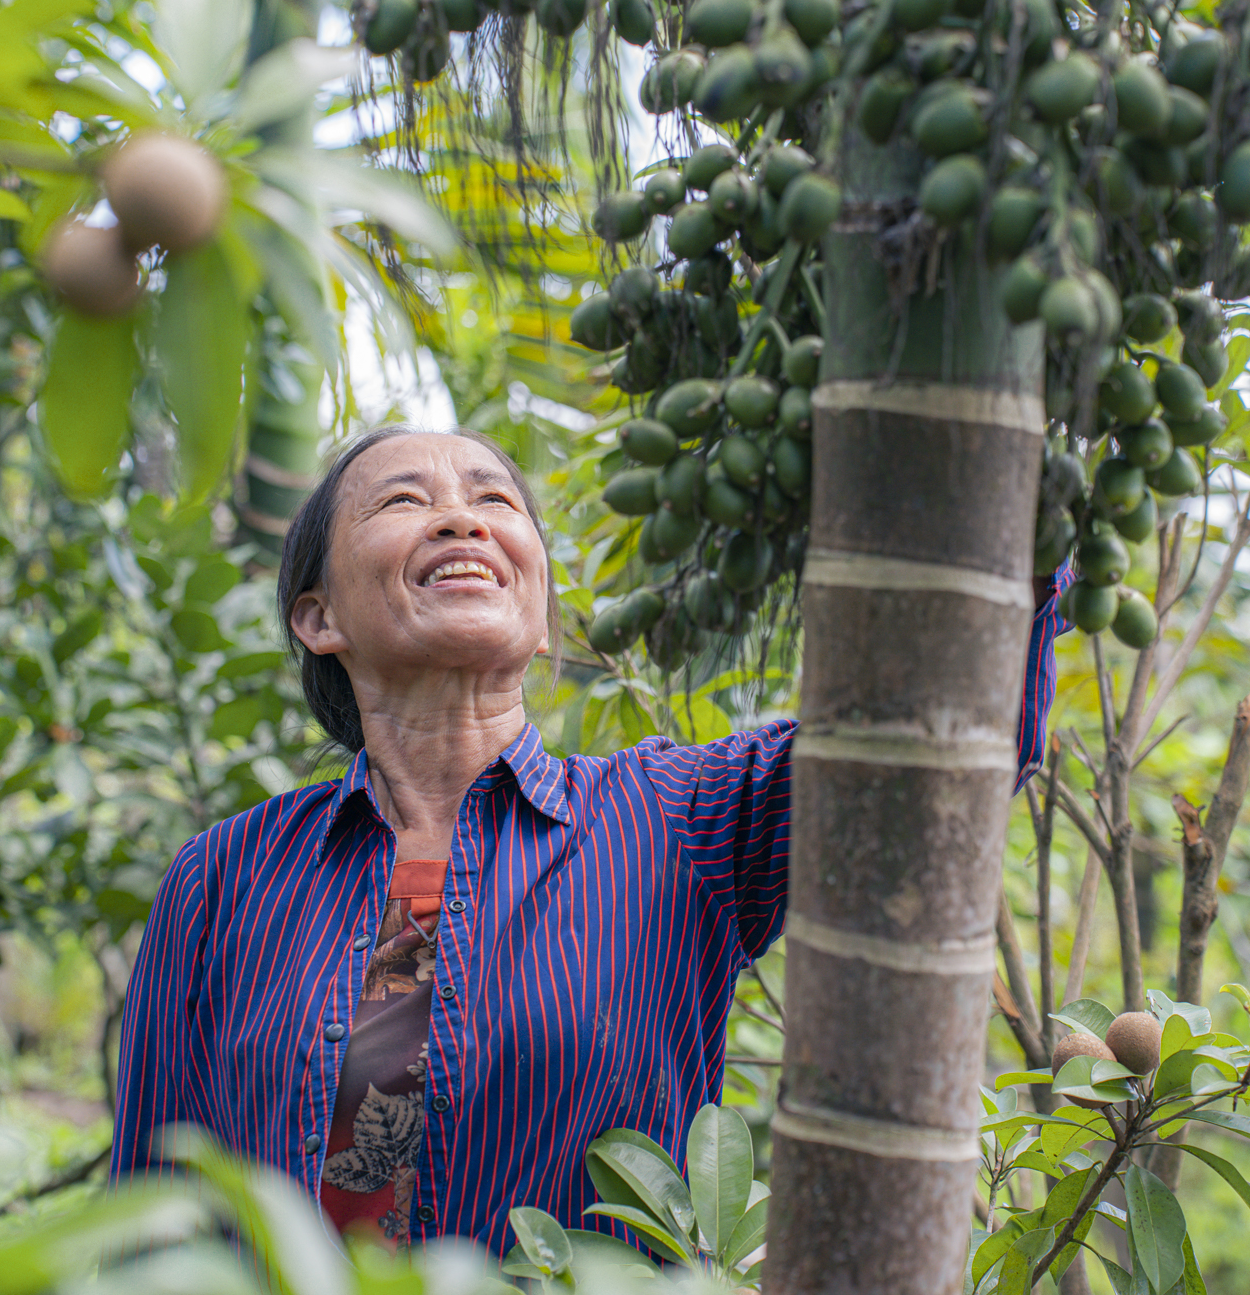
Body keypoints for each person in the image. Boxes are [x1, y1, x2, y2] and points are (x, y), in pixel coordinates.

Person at [110, 425, 1071, 1251]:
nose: (462, 517)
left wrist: (1022, 503)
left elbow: (935, 751)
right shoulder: (226, 878)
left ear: (540, 624)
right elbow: (153, 1213)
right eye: (405, 500)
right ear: (318, 618)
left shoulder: (677, 820)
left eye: (495, 500)